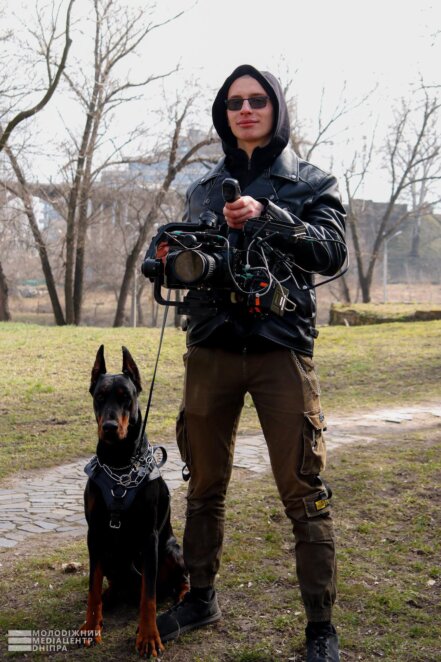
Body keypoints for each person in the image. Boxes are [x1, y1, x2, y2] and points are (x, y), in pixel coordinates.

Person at [156, 64, 346, 662]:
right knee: (204, 484)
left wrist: (272, 217)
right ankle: (200, 596)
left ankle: (320, 628)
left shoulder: (312, 180)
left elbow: (332, 249)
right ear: (224, 112)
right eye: (235, 102)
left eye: (257, 100)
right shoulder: (204, 186)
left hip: (280, 347)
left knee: (303, 489)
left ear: (275, 109)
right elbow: (188, 253)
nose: (245, 109)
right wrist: (165, 259)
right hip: (211, 346)